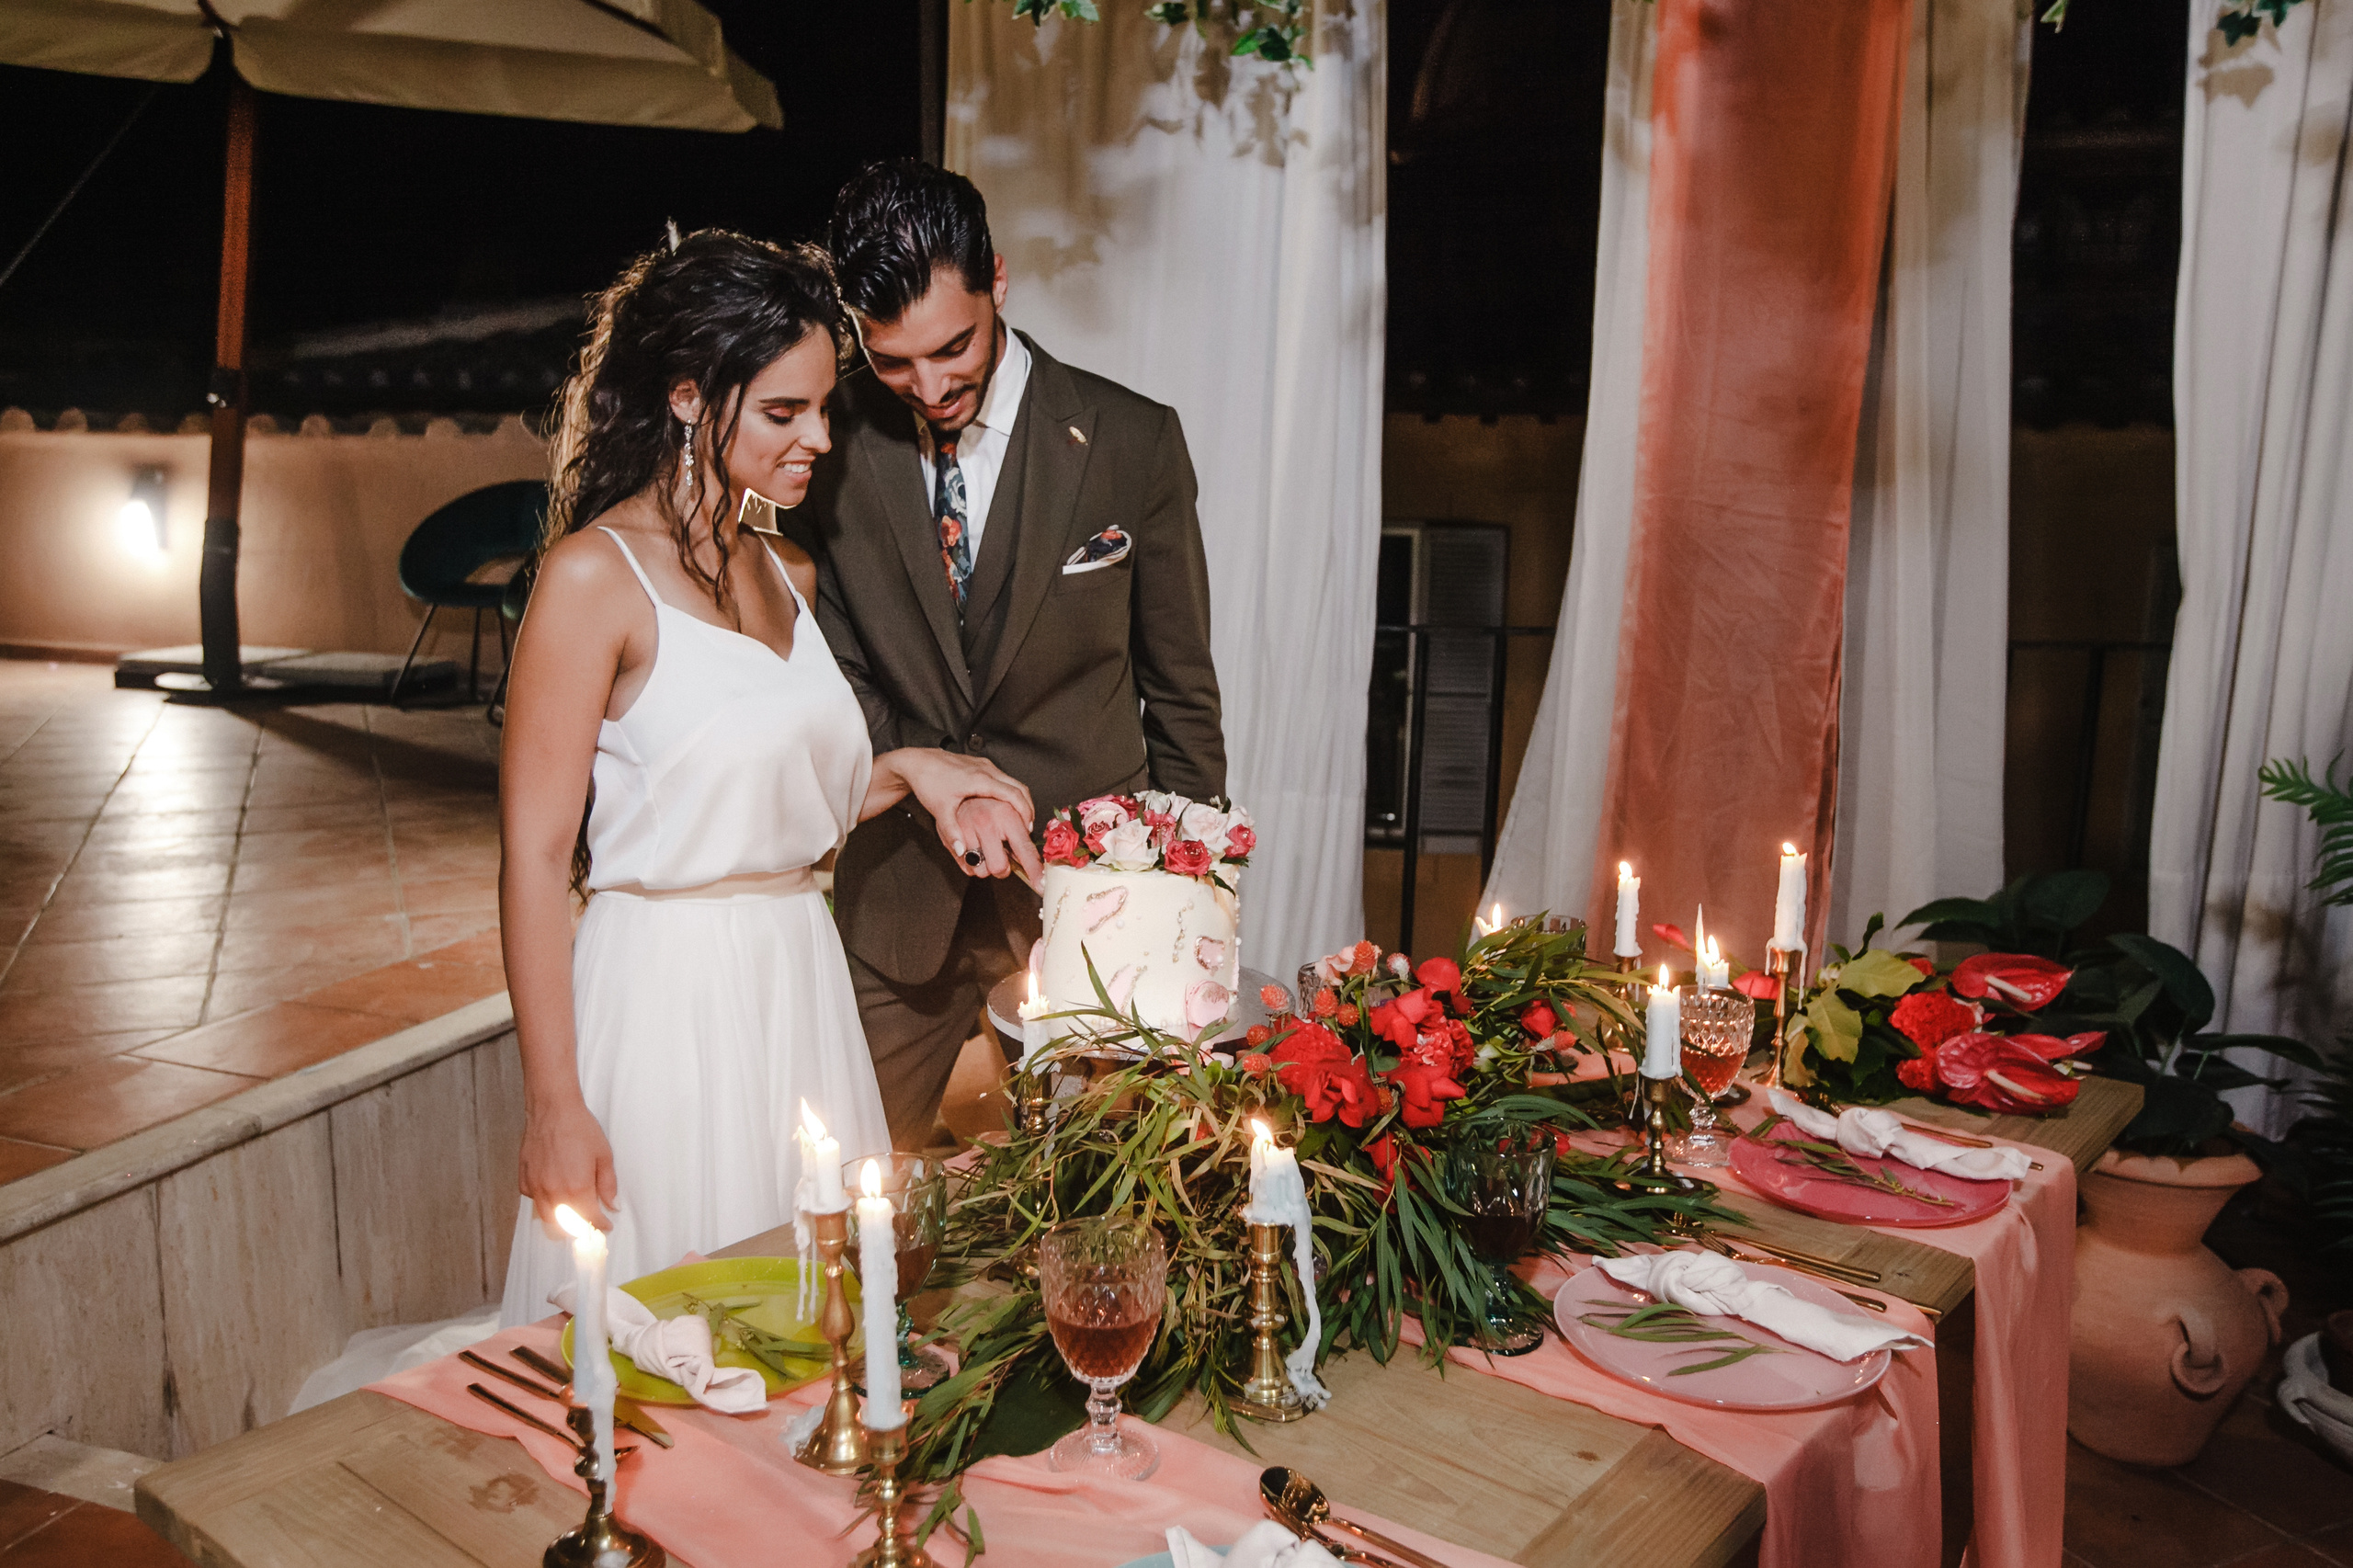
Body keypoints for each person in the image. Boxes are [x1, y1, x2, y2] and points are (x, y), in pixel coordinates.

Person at [494, 230, 1032, 1324]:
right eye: (784, 413)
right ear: (690, 398)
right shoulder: (594, 576)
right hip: (666, 996)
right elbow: (535, 853)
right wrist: (554, 1101)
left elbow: (778, 801)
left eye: (824, 408)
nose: (819, 440)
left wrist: (915, 771)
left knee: (815, 1328)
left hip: (800, 978)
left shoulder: (785, 568)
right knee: (664, 1332)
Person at [805, 162, 1227, 1149]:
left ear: (997, 280)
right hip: (897, 900)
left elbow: (1180, 693)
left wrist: (1177, 906)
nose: (932, 384)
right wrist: (927, 780)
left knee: (1104, 1207)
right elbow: (835, 670)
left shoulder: (1131, 441)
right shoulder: (828, 447)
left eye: (952, 347)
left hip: (1088, 900)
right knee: (846, 1187)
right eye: (893, 360)